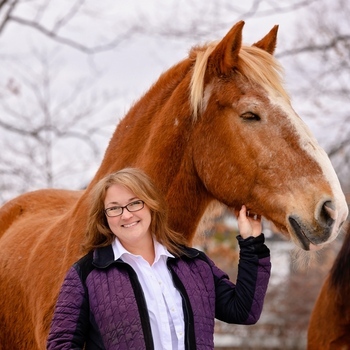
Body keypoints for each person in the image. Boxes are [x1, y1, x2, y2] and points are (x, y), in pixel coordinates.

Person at [47, 167, 271, 350]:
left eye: (135, 203)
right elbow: (61, 345)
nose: (126, 215)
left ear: (151, 205)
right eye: (114, 209)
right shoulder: (86, 274)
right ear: (104, 218)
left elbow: (244, 310)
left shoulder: (194, 264)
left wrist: (252, 243)